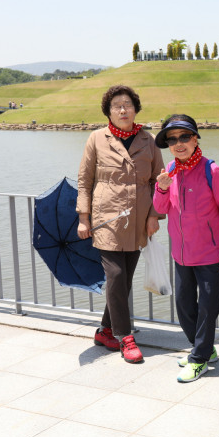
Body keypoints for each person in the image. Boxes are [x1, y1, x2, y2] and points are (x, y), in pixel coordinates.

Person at [77, 85, 164, 364]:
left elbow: (158, 181)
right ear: (109, 112)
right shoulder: (96, 138)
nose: (123, 110)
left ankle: (105, 331)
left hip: (138, 220)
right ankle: (125, 337)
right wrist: (83, 218)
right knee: (115, 274)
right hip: (107, 219)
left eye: (127, 104)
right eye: (117, 106)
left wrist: (154, 215)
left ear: (136, 109)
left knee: (123, 280)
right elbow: (84, 180)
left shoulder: (149, 140)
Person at [153, 114, 219, 383]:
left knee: (207, 309)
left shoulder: (211, 170)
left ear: (195, 139)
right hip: (181, 254)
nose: (178, 144)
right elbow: (160, 208)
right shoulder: (169, 170)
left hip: (210, 254)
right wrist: (161, 188)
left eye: (184, 137)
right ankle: (204, 348)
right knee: (184, 306)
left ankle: (199, 358)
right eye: (172, 139)